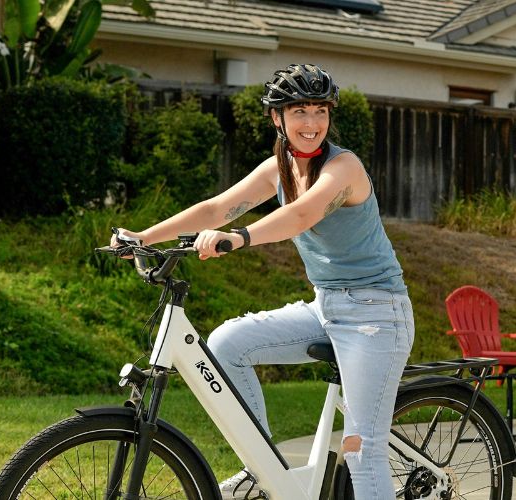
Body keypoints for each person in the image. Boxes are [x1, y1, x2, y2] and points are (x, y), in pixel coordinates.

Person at [111, 64, 414, 500]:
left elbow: (301, 215)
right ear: (278, 118)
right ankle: (265, 471)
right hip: (326, 305)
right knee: (228, 343)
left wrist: (241, 237)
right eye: (299, 112)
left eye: (319, 112)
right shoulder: (280, 169)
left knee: (362, 451)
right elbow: (217, 208)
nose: (311, 124)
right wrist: (144, 236)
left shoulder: (344, 167)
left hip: (377, 313)